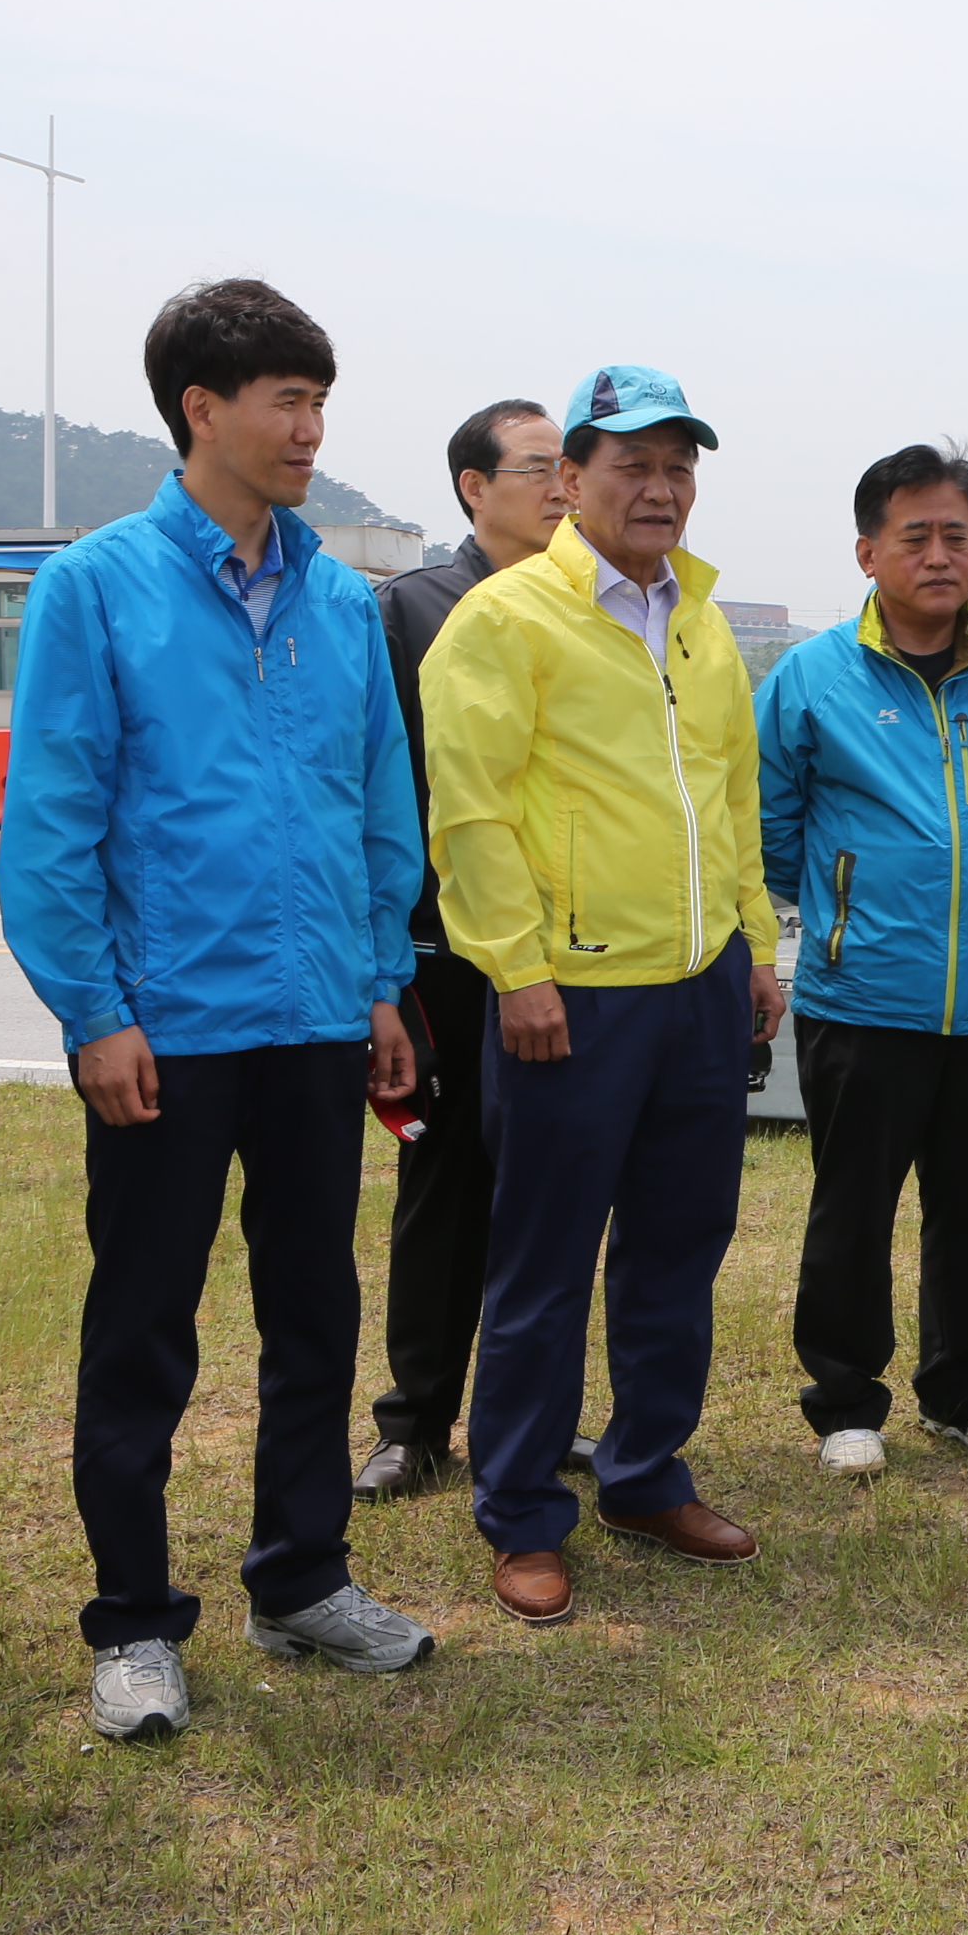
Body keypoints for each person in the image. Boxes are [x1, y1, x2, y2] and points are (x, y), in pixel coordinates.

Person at [1, 279, 434, 1745]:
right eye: (286, 401)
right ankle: (133, 1622)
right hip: (166, 1030)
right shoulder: (96, 586)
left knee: (317, 1313)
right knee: (143, 1331)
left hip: (316, 1020)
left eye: (320, 402)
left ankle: (301, 1577)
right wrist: (93, 1010)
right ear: (201, 409)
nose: (311, 430)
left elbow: (376, 805)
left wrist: (380, 980)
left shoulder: (340, 601)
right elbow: (54, 820)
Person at [420, 363, 785, 1629]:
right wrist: (515, 969)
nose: (660, 487)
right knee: (544, 1264)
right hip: (569, 994)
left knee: (679, 1248)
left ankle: (644, 1475)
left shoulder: (701, 620)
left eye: (679, 466)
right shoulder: (507, 618)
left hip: (699, 987)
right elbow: (470, 813)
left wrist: (755, 943)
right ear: (571, 480)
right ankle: (522, 1510)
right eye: (633, 464)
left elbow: (730, 796)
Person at [754, 443, 968, 1479]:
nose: (939, 555)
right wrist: (843, 909)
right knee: (853, 1210)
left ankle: (965, 1391)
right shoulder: (813, 675)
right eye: (915, 536)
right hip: (862, 993)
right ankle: (845, 1401)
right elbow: (771, 821)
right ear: (867, 552)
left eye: (957, 535)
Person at [357, 396, 571, 1502]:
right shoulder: (411, 610)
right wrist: (385, 964)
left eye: (569, 467)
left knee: (555, 1192)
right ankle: (416, 1420)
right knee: (445, 1186)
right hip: (448, 951)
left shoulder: (593, 605)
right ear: (473, 488)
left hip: (572, 951)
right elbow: (378, 788)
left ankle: (536, 1415)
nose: (563, 488)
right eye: (539, 468)